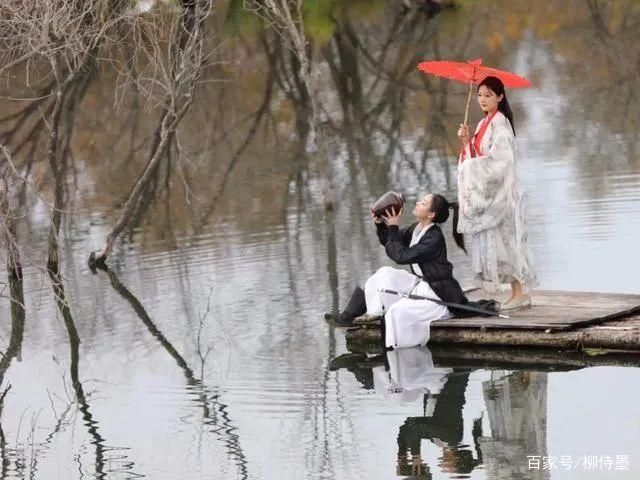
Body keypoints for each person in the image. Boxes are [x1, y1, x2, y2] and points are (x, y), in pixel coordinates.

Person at [325, 193, 468, 350]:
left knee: (396, 313)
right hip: (421, 282)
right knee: (383, 274)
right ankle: (348, 317)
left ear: (431, 214)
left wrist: (393, 226)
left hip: (438, 291)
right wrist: (381, 224)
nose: (418, 202)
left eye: (424, 202)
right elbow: (391, 241)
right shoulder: (417, 229)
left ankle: (392, 355)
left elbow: (401, 256)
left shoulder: (434, 237)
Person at [457, 75, 537, 311]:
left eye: (488, 95)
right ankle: (516, 293)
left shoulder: (501, 125)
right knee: (501, 245)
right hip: (492, 196)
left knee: (509, 244)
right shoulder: (483, 124)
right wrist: (465, 143)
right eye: (480, 94)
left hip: (503, 197)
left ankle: (521, 293)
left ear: (500, 97)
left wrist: (471, 164)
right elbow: (479, 157)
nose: (482, 99)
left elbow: (500, 163)